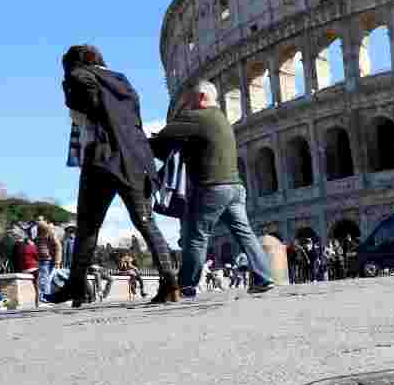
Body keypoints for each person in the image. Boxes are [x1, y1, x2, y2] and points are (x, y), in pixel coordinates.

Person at [52, 45, 179, 307]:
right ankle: (170, 281)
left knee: (88, 225)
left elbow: (83, 105)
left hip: (102, 156)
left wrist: (70, 78)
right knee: (146, 222)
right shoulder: (123, 83)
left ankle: (77, 286)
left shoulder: (80, 76)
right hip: (134, 156)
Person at [150, 80, 276, 297]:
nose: (187, 104)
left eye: (189, 100)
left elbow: (162, 138)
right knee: (245, 233)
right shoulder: (221, 119)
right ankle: (264, 277)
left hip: (211, 187)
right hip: (235, 187)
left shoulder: (197, 117)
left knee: (196, 235)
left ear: (200, 98)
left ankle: (186, 285)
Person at [34, 219, 62, 300]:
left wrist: (57, 261)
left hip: (48, 260)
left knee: (44, 279)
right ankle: (46, 297)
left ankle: (45, 298)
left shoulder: (50, 234)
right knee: (45, 279)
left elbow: (58, 247)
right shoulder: (39, 235)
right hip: (43, 260)